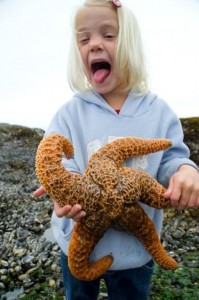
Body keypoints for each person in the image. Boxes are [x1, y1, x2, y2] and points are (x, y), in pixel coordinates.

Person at [33, 0, 199, 299]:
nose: (95, 44)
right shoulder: (70, 113)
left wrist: (185, 171)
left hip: (133, 252)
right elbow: (59, 160)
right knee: (79, 285)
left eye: (108, 35)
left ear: (131, 45)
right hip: (78, 232)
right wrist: (63, 191)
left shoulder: (160, 113)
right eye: (84, 39)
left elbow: (173, 157)